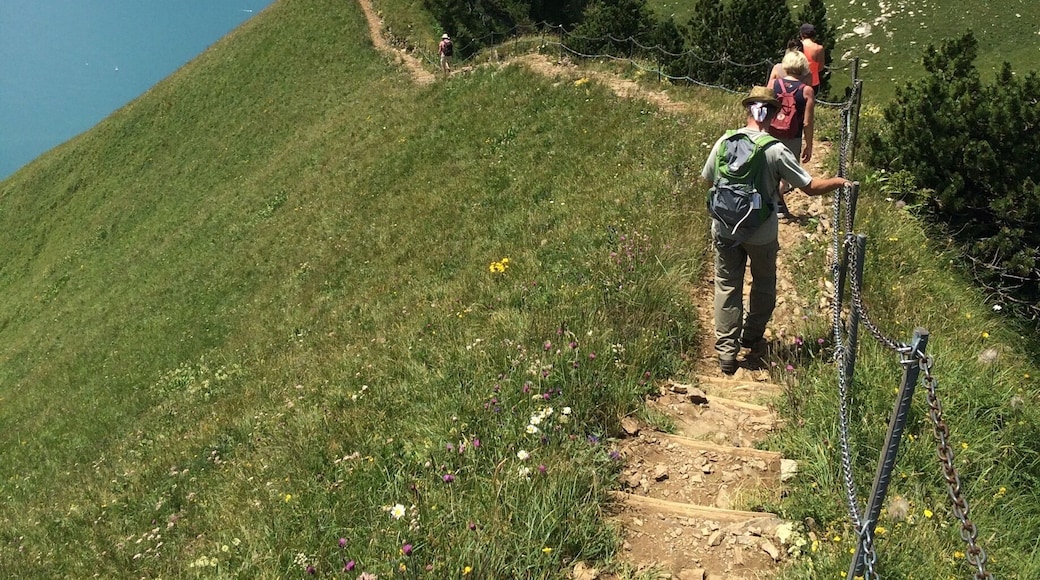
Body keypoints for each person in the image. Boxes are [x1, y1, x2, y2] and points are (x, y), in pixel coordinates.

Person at [701, 86, 851, 375]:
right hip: (761, 233)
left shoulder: (724, 141)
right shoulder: (775, 150)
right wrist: (838, 181)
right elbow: (809, 188)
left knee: (726, 285)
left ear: (748, 110)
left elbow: (710, 182)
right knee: (764, 282)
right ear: (772, 113)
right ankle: (751, 336)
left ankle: (726, 353)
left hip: (725, 228)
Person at [770, 50, 816, 217]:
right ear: (803, 67)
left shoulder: (773, 85)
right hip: (792, 136)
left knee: (769, 168)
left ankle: (770, 202)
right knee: (786, 174)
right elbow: (807, 122)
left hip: (770, 132)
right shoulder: (806, 91)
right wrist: (809, 145)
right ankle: (775, 201)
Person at [800, 23, 824, 94]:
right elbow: (820, 67)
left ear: (801, 34)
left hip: (797, 79)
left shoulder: (797, 45)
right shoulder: (819, 48)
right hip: (813, 81)